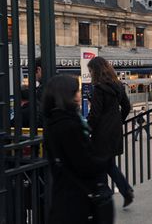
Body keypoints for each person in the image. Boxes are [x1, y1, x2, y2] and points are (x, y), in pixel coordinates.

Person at [42, 75, 113, 224]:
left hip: (62, 194)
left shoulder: (51, 122)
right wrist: (104, 160)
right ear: (67, 95)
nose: (79, 94)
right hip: (77, 199)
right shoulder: (70, 125)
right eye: (76, 91)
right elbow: (85, 164)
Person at [87, 57, 134, 208]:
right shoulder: (118, 86)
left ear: (96, 71)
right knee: (108, 164)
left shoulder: (99, 89)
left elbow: (95, 114)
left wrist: (88, 129)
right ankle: (125, 190)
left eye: (91, 71)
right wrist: (118, 121)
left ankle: (104, 197)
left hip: (101, 133)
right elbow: (127, 107)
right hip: (114, 131)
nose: (90, 73)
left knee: (100, 164)